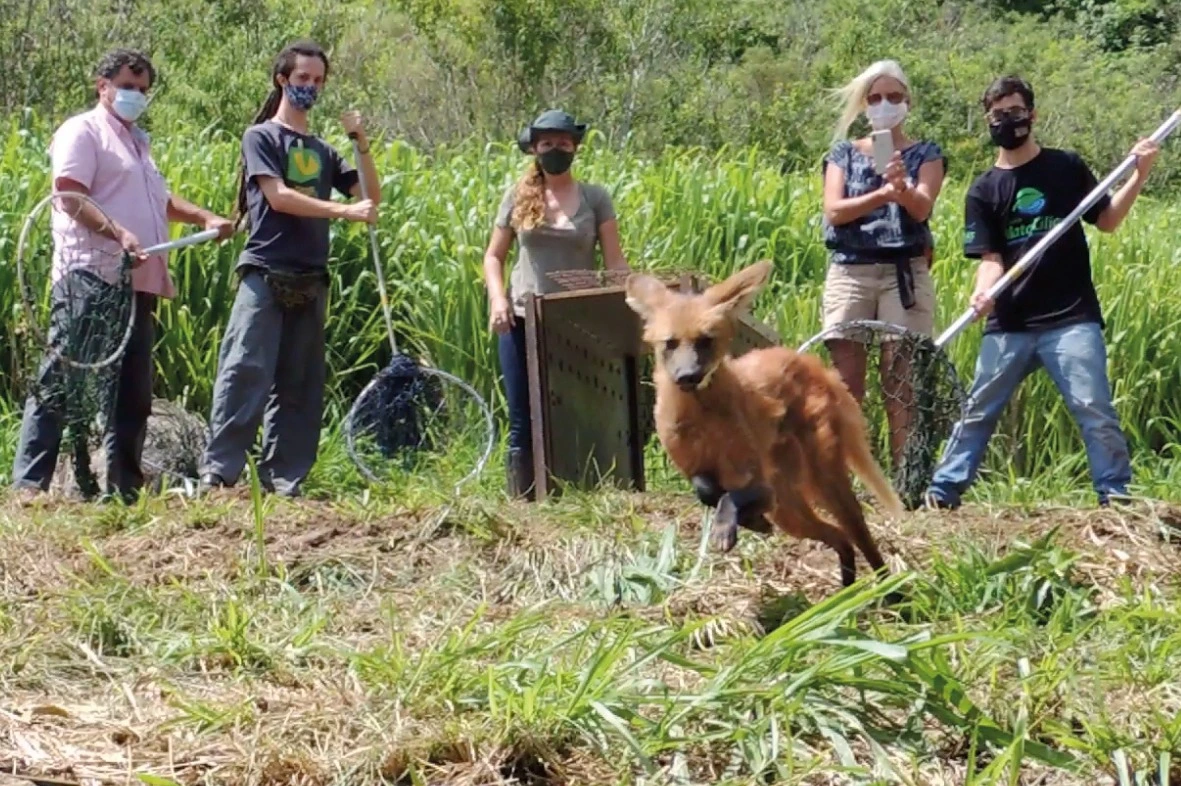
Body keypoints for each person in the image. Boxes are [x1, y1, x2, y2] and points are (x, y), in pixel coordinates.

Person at [923, 75, 1160, 510]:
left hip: (1071, 318)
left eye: (1015, 112)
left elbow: (1106, 220)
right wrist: (983, 292)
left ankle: (1115, 495)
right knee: (977, 409)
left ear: (1031, 115)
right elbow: (991, 258)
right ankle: (942, 493)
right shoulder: (983, 190)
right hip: (1010, 322)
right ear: (987, 120)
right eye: (998, 115)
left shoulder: (1066, 167)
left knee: (1093, 406)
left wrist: (1139, 175)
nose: (1007, 121)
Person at [10, 48, 234, 504]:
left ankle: (124, 490)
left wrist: (207, 217)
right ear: (103, 86)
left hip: (138, 282)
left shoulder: (139, 144)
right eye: (128, 86)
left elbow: (163, 202)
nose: (136, 96)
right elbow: (70, 197)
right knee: (62, 376)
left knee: (133, 392)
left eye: (143, 90)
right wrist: (119, 234)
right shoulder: (83, 131)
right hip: (89, 277)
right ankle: (30, 486)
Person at [197, 39, 379, 498]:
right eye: (302, 79)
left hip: (311, 276)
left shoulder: (323, 150)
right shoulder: (261, 137)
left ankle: (284, 479)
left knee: (300, 384)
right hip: (265, 270)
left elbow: (370, 199)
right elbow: (278, 197)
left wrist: (361, 142)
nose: (310, 88)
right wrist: (341, 214)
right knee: (244, 372)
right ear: (283, 80)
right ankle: (220, 475)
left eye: (317, 81)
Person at [481, 109, 629, 500]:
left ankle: (575, 494)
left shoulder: (595, 198)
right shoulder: (517, 195)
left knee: (573, 412)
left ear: (575, 147)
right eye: (547, 143)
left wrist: (627, 300)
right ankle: (523, 501)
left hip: (574, 320)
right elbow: (493, 257)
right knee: (523, 416)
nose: (556, 149)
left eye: (564, 142)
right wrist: (497, 299)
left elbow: (614, 261)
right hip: (521, 317)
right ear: (534, 148)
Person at [820, 59, 947, 466]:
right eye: (875, 98)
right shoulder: (843, 153)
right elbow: (835, 210)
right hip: (850, 269)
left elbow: (922, 207)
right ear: (863, 104)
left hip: (904, 272)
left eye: (893, 96)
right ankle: (840, 476)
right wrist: (881, 196)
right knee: (844, 385)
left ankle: (906, 480)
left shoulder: (926, 154)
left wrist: (901, 187)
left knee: (902, 382)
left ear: (908, 100)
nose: (884, 104)